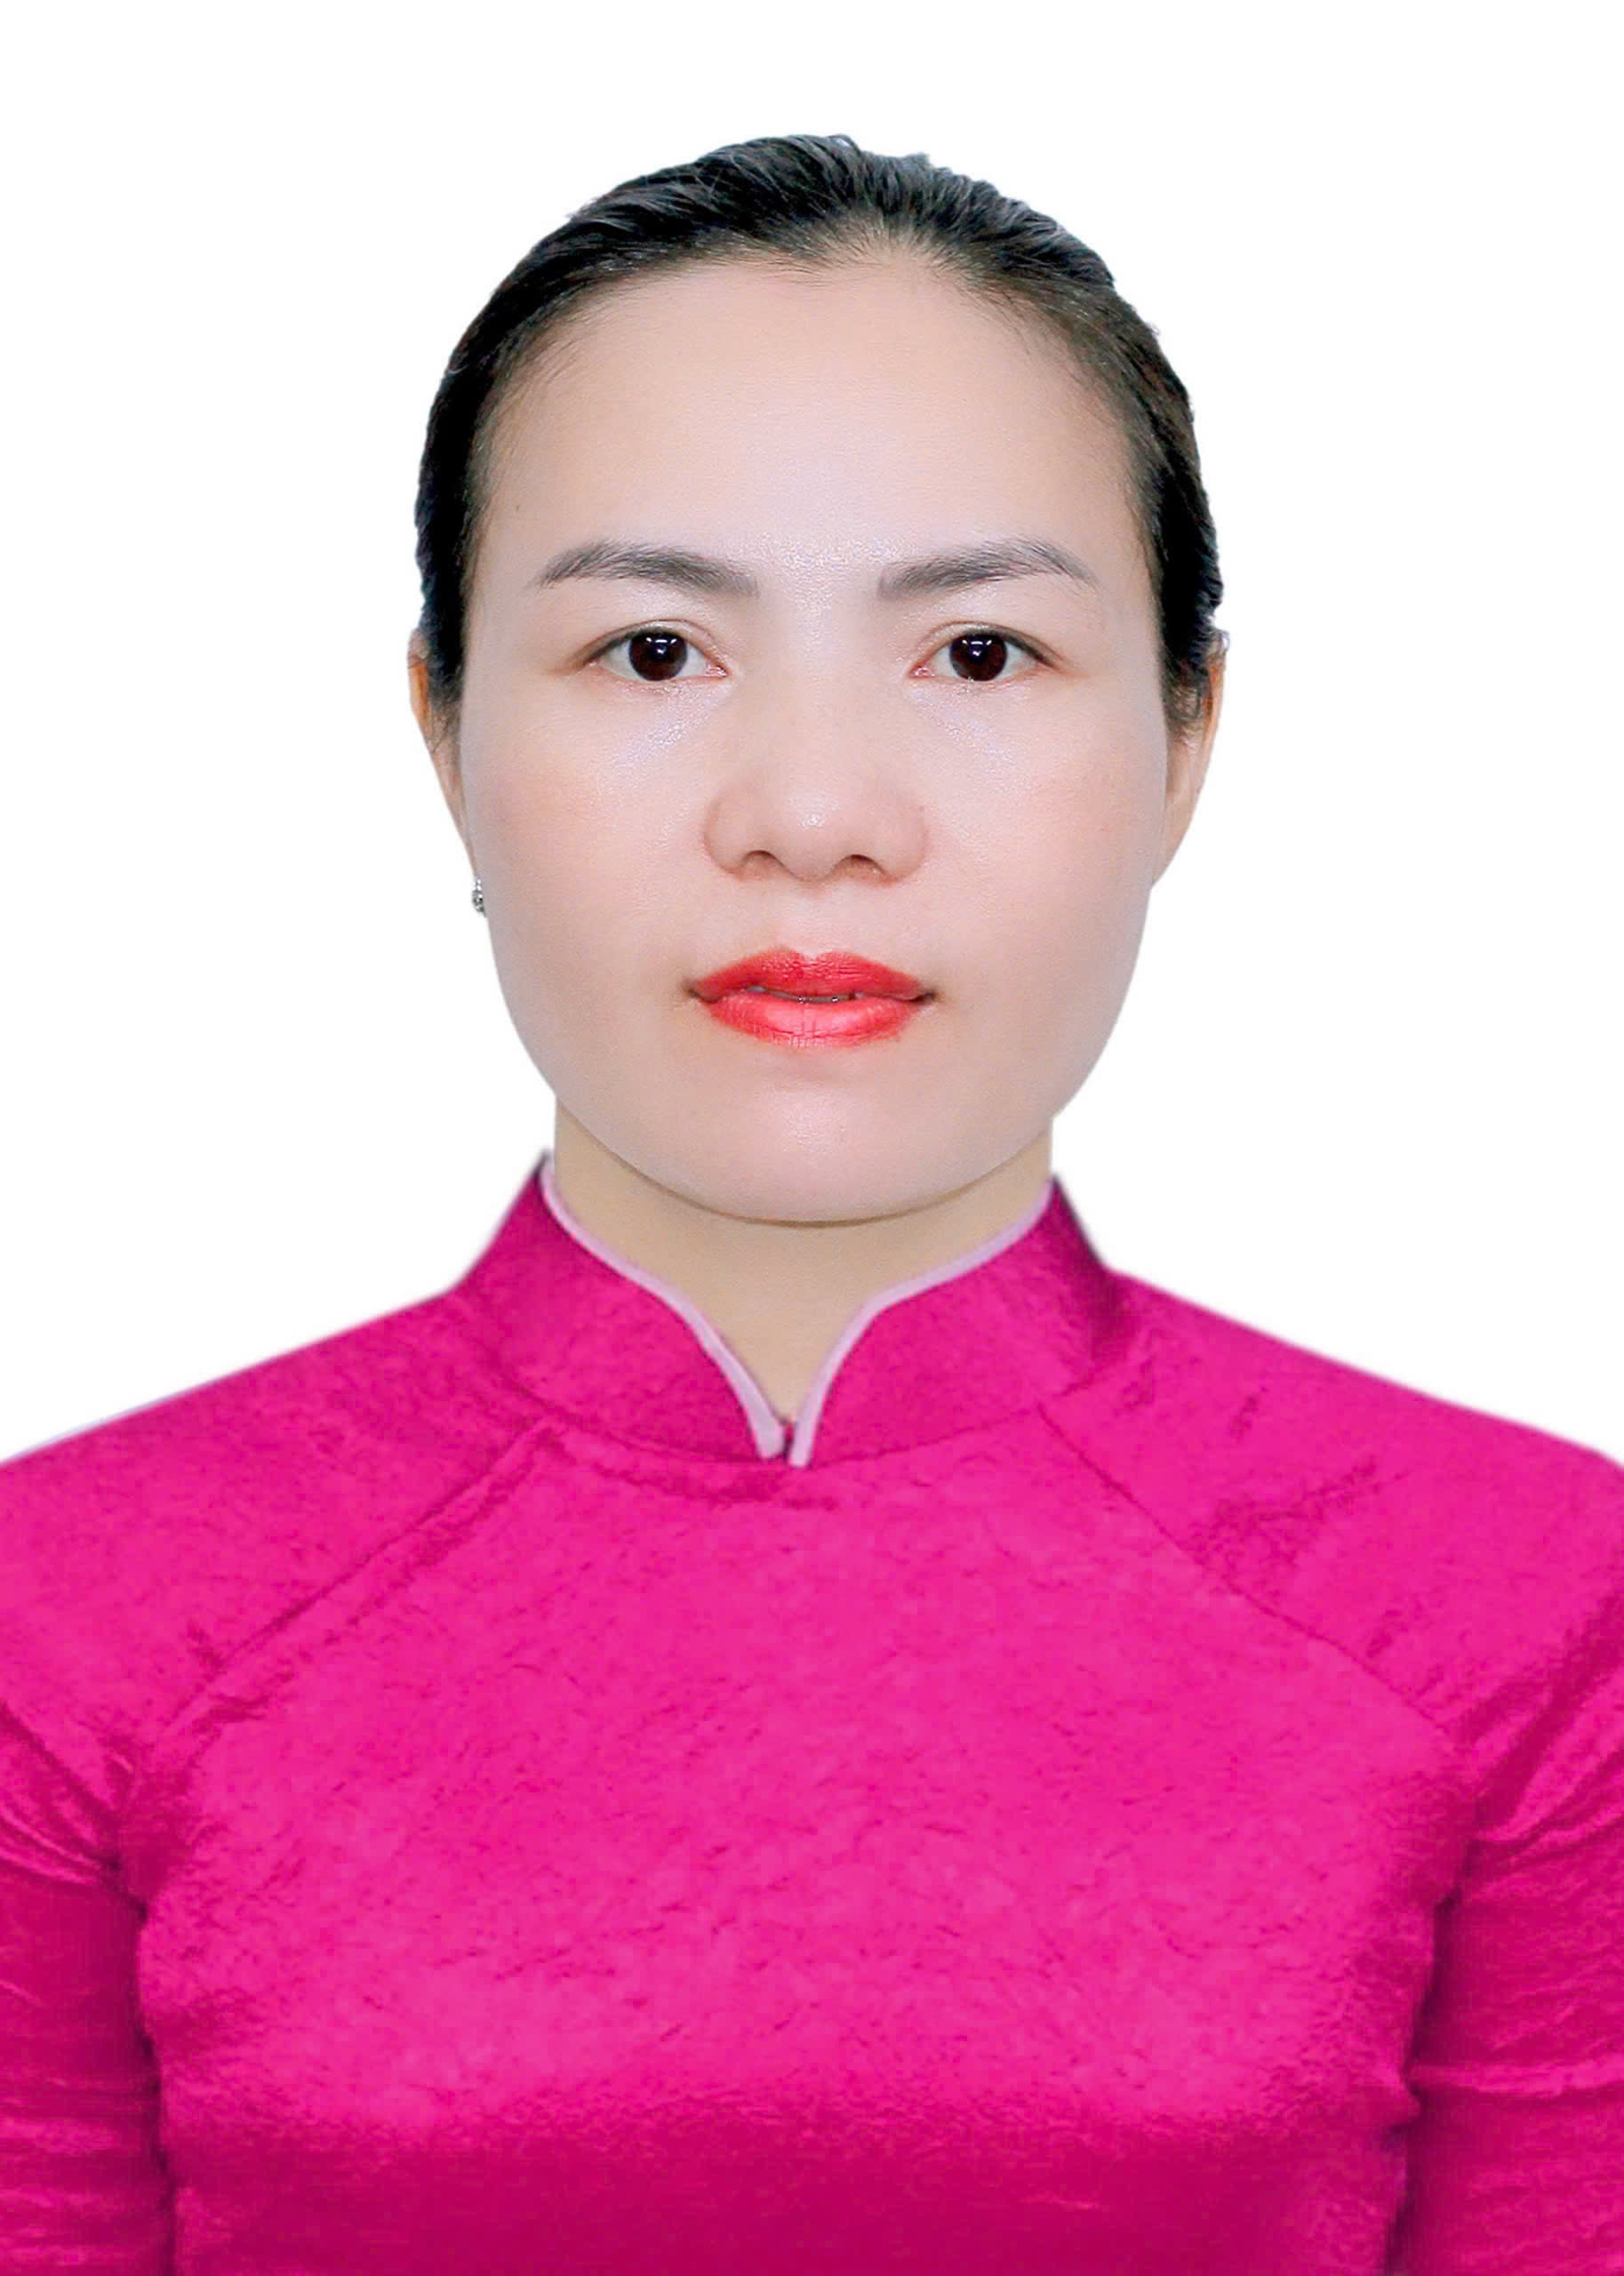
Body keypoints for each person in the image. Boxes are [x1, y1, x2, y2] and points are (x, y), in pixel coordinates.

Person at [2, 132, 1620, 2276]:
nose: (815, 813)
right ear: (441, 726)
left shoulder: (1528, 1603)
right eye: (651, 651)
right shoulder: (65, 1612)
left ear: (1186, 734)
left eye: (979, 655)